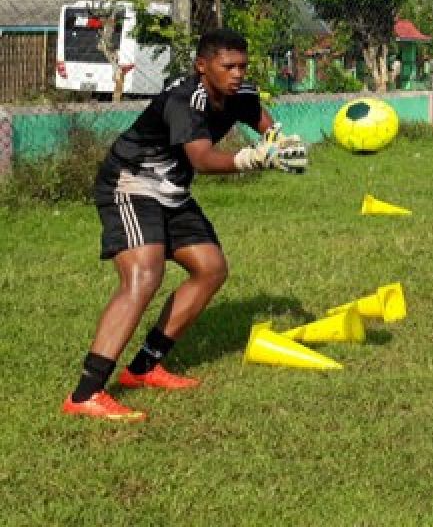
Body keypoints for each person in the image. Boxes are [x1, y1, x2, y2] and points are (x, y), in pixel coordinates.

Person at [62, 29, 308, 422]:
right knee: (143, 276)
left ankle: (142, 369)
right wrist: (254, 159)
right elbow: (203, 159)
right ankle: (85, 395)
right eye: (228, 66)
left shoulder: (240, 93)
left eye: (242, 66)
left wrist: (280, 142)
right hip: (131, 182)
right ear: (202, 66)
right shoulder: (184, 99)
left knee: (210, 269)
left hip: (170, 190)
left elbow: (261, 119)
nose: (237, 74)